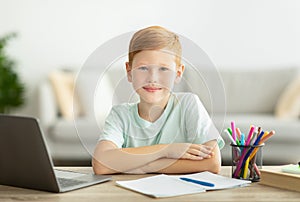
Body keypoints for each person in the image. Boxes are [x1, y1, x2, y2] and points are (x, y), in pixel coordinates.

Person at [92, 26, 224, 174]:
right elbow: (101, 164)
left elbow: (212, 163)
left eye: (163, 69)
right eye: (143, 68)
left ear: (178, 73)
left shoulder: (188, 104)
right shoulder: (120, 114)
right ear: (129, 72)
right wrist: (166, 150)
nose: (153, 79)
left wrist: (146, 166)